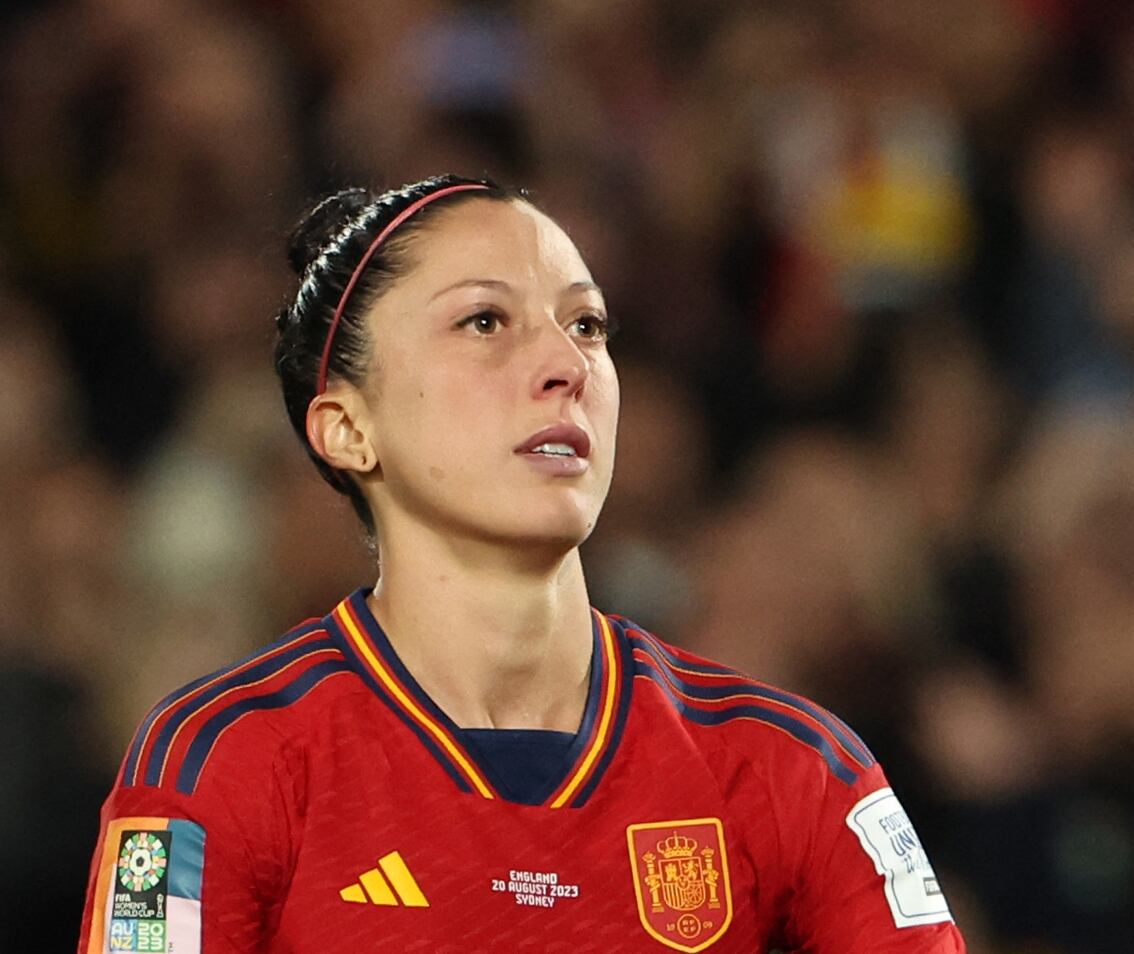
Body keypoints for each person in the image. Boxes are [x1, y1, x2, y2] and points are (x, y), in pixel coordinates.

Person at [77, 174, 967, 953]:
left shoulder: (790, 768)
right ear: (346, 428)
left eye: (587, 324)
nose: (564, 364)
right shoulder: (225, 759)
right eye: (483, 320)